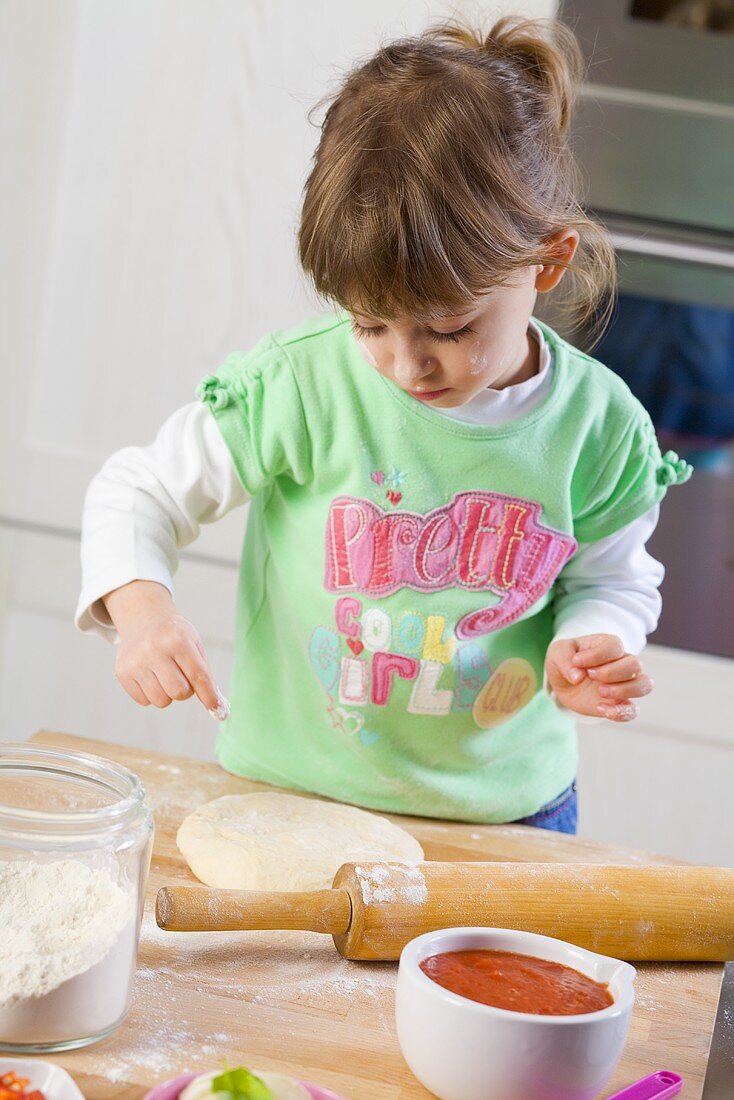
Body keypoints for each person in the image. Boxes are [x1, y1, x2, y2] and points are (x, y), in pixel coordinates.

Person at [76, 17, 691, 833]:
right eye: (370, 325)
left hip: (504, 816)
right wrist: (143, 610)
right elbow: (139, 490)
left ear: (546, 261)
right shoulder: (302, 384)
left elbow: (611, 579)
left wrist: (592, 640)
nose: (408, 366)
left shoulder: (599, 427)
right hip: (292, 793)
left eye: (449, 329)